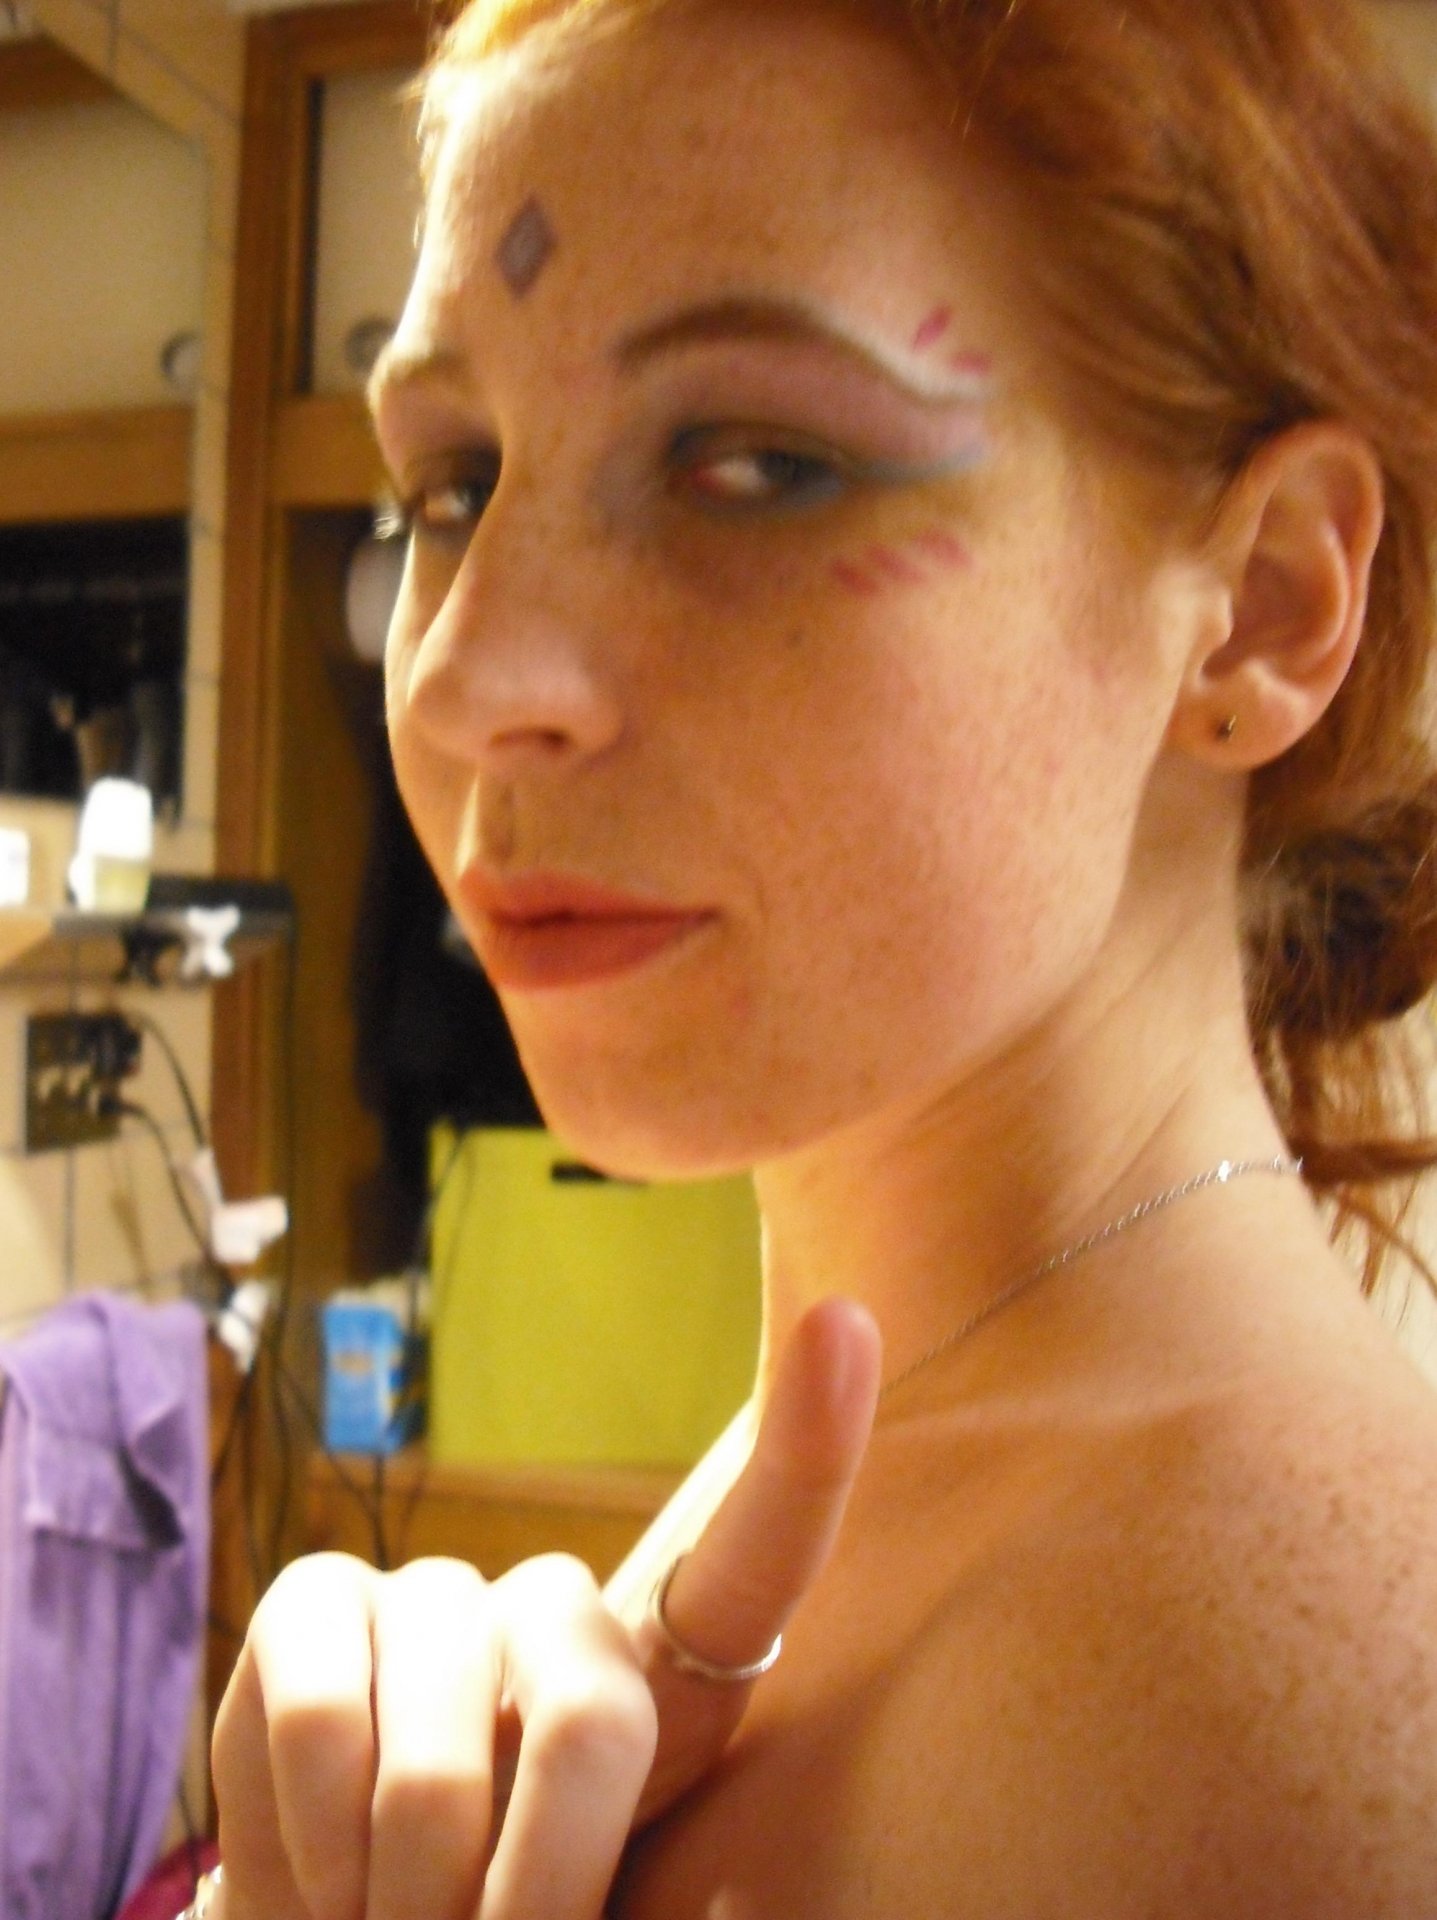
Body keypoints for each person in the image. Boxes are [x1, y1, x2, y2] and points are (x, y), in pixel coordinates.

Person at [199, 0, 1437, 1914]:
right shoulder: (891, 1437)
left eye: (755, 463)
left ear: (1259, 604)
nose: (457, 677)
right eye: (453, 482)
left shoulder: (1310, 1726)